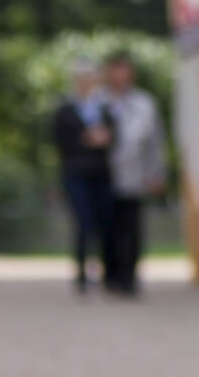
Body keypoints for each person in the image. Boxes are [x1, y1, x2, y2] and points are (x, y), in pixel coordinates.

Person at [102, 51, 169, 300]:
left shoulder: (144, 103)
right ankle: (111, 276)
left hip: (134, 176)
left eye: (124, 71)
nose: (120, 76)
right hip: (103, 176)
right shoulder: (98, 101)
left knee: (131, 229)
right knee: (108, 229)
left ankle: (129, 278)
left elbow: (155, 142)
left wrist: (157, 173)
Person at [50, 62, 115, 297]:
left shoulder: (104, 107)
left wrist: (106, 138)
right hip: (77, 173)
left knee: (105, 222)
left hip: (101, 173)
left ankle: (108, 274)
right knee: (83, 223)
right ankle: (82, 275)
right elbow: (61, 141)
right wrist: (86, 140)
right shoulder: (65, 110)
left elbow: (115, 135)